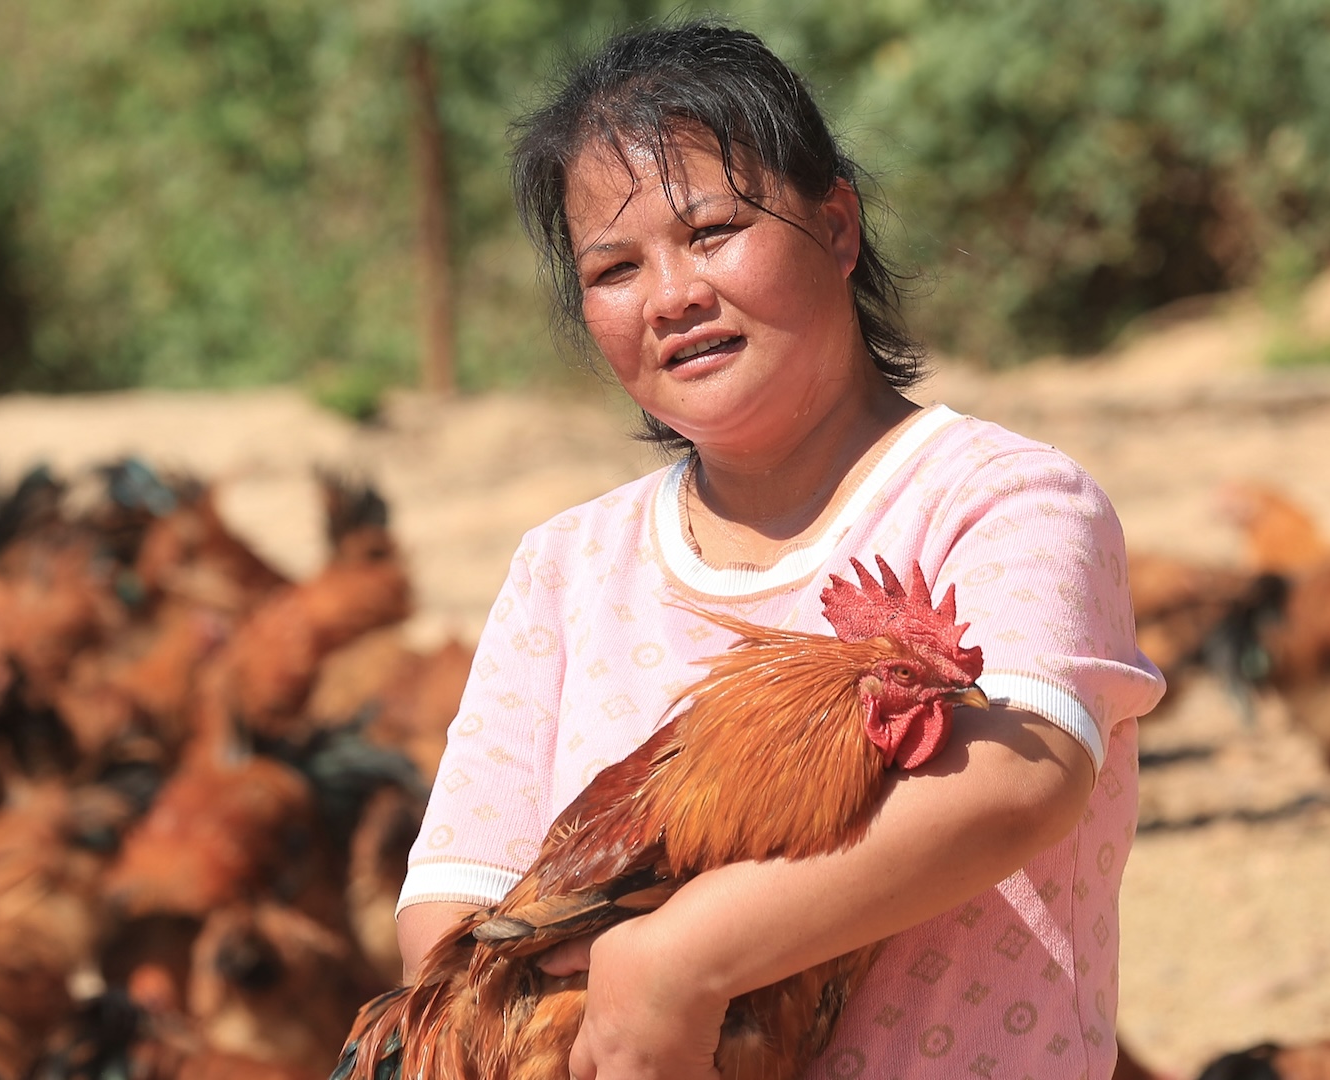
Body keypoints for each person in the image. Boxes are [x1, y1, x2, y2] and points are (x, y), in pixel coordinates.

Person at [393, 19, 1165, 1080]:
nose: (673, 295)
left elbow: (1018, 781)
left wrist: (680, 957)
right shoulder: (566, 567)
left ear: (838, 227)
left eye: (712, 231)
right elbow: (456, 913)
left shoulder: (1008, 499)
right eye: (614, 266)